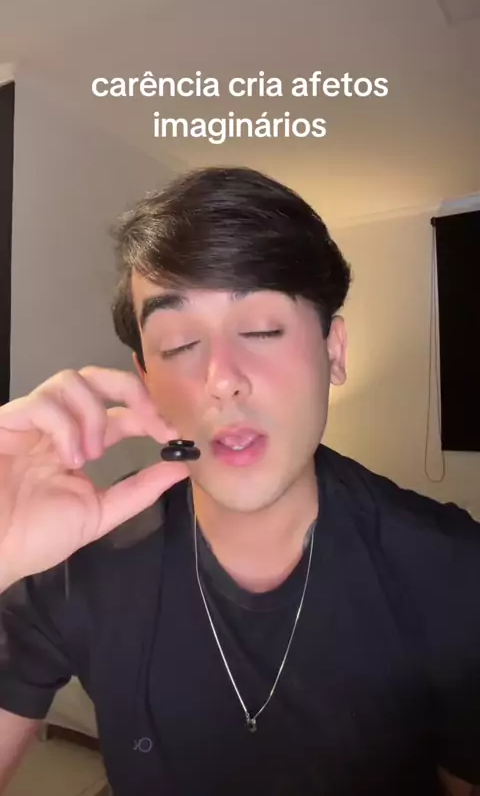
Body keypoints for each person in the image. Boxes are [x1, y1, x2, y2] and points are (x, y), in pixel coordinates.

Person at [0, 166, 479, 796]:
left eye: (262, 329)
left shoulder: (452, 570)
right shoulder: (77, 562)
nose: (221, 378)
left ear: (334, 351)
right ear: (145, 380)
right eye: (179, 343)